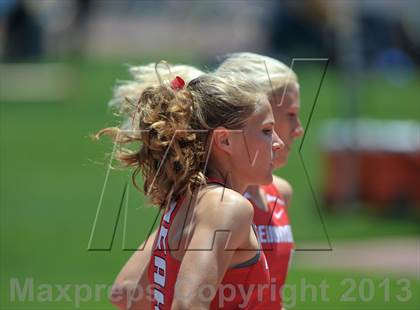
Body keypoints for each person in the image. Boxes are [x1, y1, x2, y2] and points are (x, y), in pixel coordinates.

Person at [95, 65, 283, 309]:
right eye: (267, 131)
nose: (278, 143)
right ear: (225, 140)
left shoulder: (186, 198)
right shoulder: (226, 207)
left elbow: (131, 294)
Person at [217, 52, 304, 307]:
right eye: (290, 113)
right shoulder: (215, 201)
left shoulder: (279, 192)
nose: (298, 128)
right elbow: (130, 289)